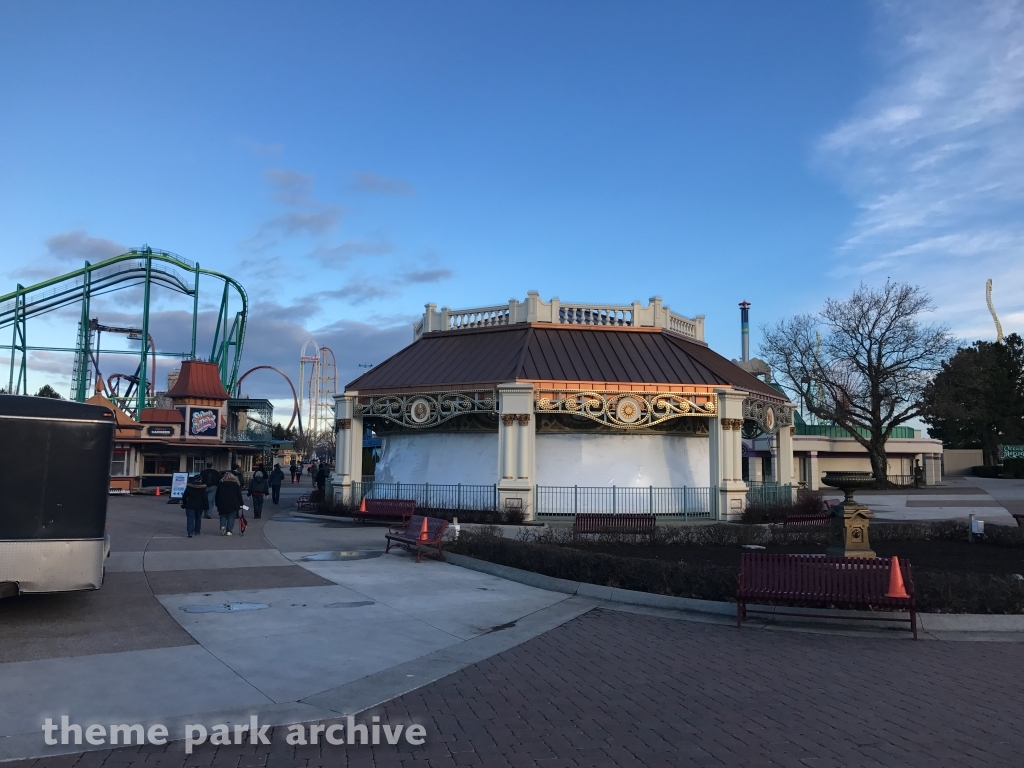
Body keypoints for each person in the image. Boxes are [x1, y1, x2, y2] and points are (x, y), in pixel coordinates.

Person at [215, 471, 244, 535]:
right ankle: (229, 531)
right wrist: (241, 503)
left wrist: (217, 503)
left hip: (222, 503)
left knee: (223, 516)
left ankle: (222, 526)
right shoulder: (235, 485)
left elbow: (217, 495)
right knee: (231, 517)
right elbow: (239, 495)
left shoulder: (221, 484)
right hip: (233, 503)